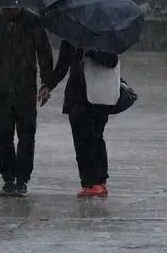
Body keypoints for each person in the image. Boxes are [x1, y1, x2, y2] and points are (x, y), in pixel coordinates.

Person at [0, 7, 53, 197]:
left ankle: (22, 180)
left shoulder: (33, 21)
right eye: (5, 7)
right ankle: (8, 179)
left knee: (26, 136)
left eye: (12, 7)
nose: (8, 11)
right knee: (3, 135)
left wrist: (46, 84)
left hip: (26, 88)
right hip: (1, 89)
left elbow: (44, 53)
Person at [40, 40, 118, 197]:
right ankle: (89, 182)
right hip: (76, 94)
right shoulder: (72, 37)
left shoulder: (103, 35)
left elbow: (112, 61)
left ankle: (98, 180)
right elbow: (62, 65)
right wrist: (48, 85)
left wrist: (91, 51)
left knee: (95, 137)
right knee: (80, 140)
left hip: (98, 96)